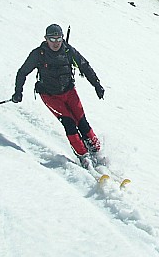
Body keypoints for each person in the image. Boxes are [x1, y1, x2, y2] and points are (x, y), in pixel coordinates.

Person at [12, 24, 105, 162]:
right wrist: (18, 92)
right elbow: (22, 72)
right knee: (69, 123)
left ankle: (96, 152)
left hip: (69, 91)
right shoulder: (38, 54)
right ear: (46, 39)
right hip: (50, 96)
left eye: (58, 39)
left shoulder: (68, 51)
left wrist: (96, 84)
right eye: (52, 39)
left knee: (82, 122)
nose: (55, 43)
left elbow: (84, 66)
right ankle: (83, 156)